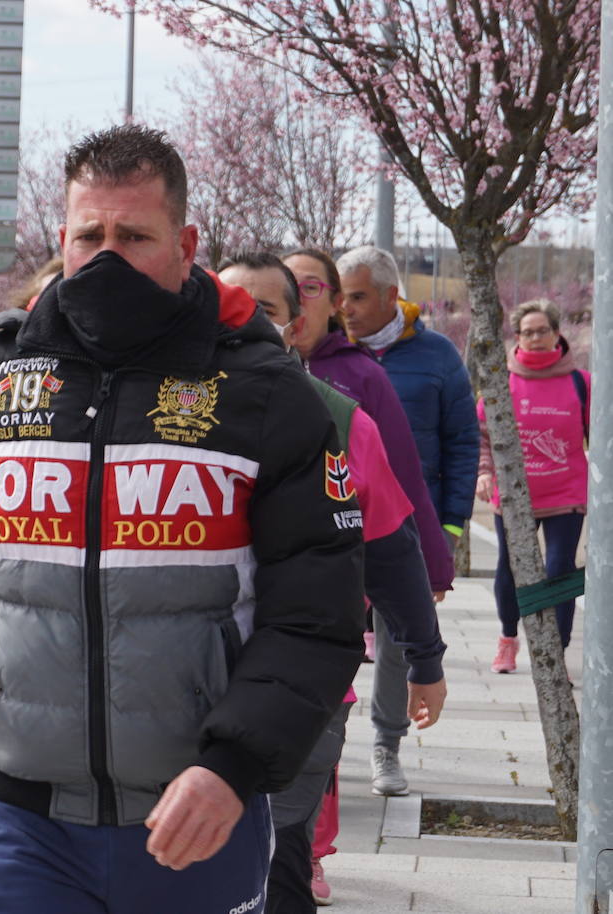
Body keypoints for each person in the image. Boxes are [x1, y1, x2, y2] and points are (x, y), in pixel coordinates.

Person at [0, 124, 365, 914]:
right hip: (20, 817)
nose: (109, 255)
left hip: (195, 819)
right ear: (64, 237)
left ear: (185, 243)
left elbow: (318, 617)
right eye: (90, 234)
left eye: (135, 235)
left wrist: (235, 765)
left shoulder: (264, 391)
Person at [220, 253, 447, 912]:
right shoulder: (159, 406)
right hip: (179, 687)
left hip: (299, 688)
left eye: (262, 310)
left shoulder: (342, 420)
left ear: (296, 327)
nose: (239, 321)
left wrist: (424, 659)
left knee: (278, 863)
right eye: (226, 305)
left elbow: (391, 549)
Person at [334, 245, 477, 800]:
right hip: (341, 520)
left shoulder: (437, 355)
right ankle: (325, 745)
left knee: (401, 635)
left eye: (359, 296)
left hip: (409, 526)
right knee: (334, 631)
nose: (346, 308)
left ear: (393, 295)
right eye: (340, 296)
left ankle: (385, 746)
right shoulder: (331, 357)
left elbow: (463, 442)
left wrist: (453, 527)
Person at [476, 299, 590, 672]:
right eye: (528, 332)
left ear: (557, 334)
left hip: (566, 493)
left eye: (543, 331)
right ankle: (508, 639)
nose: (536, 338)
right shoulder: (501, 380)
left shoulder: (580, 382)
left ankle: (555, 650)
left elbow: (599, 437)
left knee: (559, 567)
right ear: (517, 337)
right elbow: (481, 434)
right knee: (511, 567)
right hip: (512, 494)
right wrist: (484, 471)